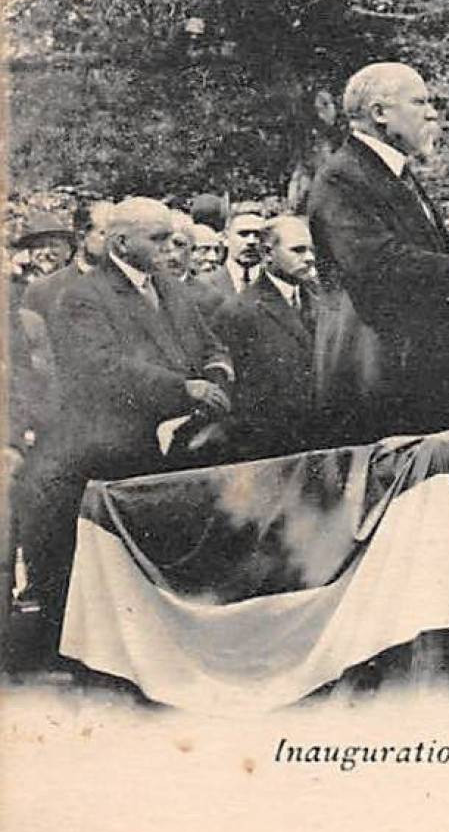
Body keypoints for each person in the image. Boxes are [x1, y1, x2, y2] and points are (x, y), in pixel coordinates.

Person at [16, 197, 234, 668]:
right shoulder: (84, 296)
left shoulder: (170, 288)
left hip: (180, 439)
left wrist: (216, 376)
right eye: (157, 240)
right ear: (121, 243)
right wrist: (184, 389)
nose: (169, 249)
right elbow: (104, 370)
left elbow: (210, 344)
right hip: (120, 449)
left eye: (172, 239)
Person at [306, 62, 449, 445]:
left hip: (419, 385)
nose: (432, 113)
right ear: (379, 113)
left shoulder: (396, 176)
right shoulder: (341, 176)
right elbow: (376, 264)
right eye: (419, 101)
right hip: (379, 389)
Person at [212, 216, 323, 460]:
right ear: (268, 253)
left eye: (311, 250)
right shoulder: (239, 311)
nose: (309, 258)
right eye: (298, 250)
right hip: (271, 449)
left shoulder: (321, 303)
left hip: (321, 442)